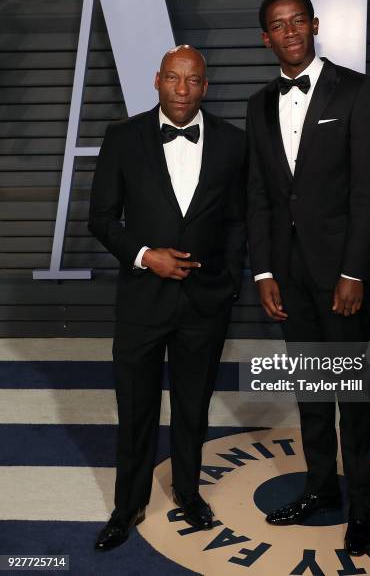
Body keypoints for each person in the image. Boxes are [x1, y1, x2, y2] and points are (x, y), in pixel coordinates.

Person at [247, 0, 370, 556]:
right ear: (266, 39)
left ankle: (363, 502)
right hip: (288, 275)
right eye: (278, 26)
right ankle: (320, 490)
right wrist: (263, 272)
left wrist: (354, 271)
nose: (290, 32)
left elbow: (367, 191)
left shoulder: (357, 91)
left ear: (315, 24)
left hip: (339, 278)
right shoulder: (259, 104)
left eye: (298, 21)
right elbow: (259, 194)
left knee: (349, 393)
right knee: (309, 389)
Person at [89, 45, 246, 551]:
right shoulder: (122, 137)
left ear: (206, 85)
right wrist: (143, 255)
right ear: (157, 80)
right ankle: (127, 503)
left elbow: (240, 220)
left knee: (192, 405)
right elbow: (101, 218)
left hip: (205, 300)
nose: (183, 89)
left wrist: (228, 280)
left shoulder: (232, 142)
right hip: (142, 298)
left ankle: (188, 492)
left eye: (193, 80)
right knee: (134, 406)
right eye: (174, 79)